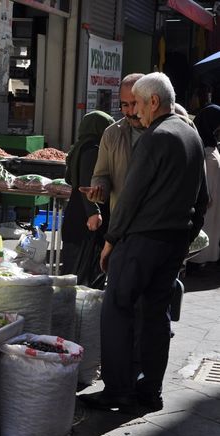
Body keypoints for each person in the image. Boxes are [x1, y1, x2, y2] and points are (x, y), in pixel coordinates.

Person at [79, 72, 208, 413]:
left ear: (154, 101)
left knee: (117, 309)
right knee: (155, 314)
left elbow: (132, 197)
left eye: (136, 103)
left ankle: (118, 389)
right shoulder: (191, 133)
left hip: (140, 241)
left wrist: (110, 242)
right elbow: (203, 198)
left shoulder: (155, 137)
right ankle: (150, 392)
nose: (134, 111)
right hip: (173, 241)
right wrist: (186, 237)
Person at [61, 111, 114, 285]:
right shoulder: (93, 149)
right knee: (85, 270)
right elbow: (87, 183)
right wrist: (94, 212)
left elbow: (70, 179)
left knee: (74, 268)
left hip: (75, 209)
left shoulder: (78, 147)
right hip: (86, 213)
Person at [80, 73, 145, 215]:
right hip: (123, 223)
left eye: (134, 103)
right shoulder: (112, 134)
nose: (131, 111)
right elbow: (101, 174)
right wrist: (98, 190)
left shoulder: (170, 131)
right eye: (125, 105)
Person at [190, 104, 220, 265]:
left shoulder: (212, 142)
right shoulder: (197, 143)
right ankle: (196, 262)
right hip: (205, 199)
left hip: (215, 197)